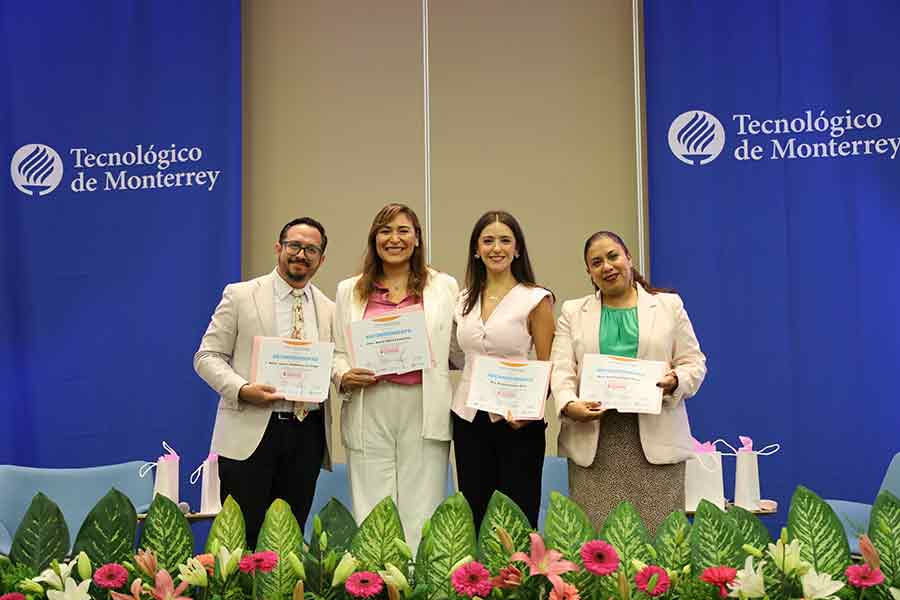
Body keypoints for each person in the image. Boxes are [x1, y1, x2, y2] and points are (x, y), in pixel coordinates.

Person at [549, 231, 706, 535]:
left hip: (656, 444)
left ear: (629, 258)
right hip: (595, 445)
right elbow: (561, 370)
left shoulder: (668, 306)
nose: (606, 266)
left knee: (657, 546)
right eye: (596, 262)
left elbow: (694, 363)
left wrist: (676, 380)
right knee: (597, 548)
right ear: (589, 272)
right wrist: (569, 404)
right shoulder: (572, 311)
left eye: (613, 256)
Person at [194, 217, 336, 548]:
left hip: (307, 433)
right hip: (250, 433)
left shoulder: (330, 309)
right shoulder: (241, 295)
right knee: (241, 542)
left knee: (288, 544)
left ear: (321, 258)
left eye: (311, 249)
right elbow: (206, 357)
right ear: (279, 248)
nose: (301, 254)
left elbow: (335, 364)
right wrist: (242, 390)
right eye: (294, 246)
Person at [332, 203, 458, 552]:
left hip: (423, 402)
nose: (394, 239)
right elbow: (336, 351)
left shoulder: (443, 286)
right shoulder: (349, 290)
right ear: (374, 240)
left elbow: (460, 345)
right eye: (385, 231)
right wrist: (343, 373)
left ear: (417, 238)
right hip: (368, 403)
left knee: (423, 505)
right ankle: (373, 582)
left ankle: (417, 584)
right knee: (373, 508)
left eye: (403, 230)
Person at [451, 210, 556, 530]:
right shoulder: (463, 299)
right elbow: (455, 355)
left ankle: (519, 580)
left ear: (518, 249)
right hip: (468, 418)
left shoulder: (536, 299)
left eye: (505, 240)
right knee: (474, 511)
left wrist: (528, 410)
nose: (496, 248)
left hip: (517, 424)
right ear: (476, 249)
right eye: (488, 241)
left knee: (518, 514)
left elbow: (548, 365)